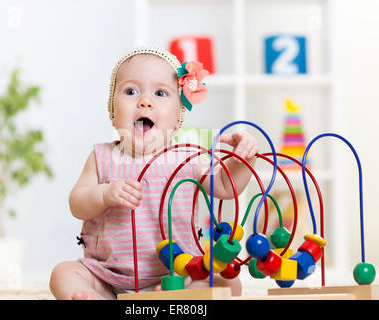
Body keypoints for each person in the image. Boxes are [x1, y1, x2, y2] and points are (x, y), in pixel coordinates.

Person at [49, 46, 259, 300]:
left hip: (181, 274)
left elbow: (226, 186)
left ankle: (175, 299)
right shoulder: (102, 157)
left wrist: (245, 158)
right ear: (113, 112)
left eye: (160, 93)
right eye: (131, 91)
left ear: (177, 119)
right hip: (108, 276)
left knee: (228, 284)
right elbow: (77, 203)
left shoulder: (188, 155)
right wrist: (104, 194)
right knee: (63, 273)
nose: (145, 101)